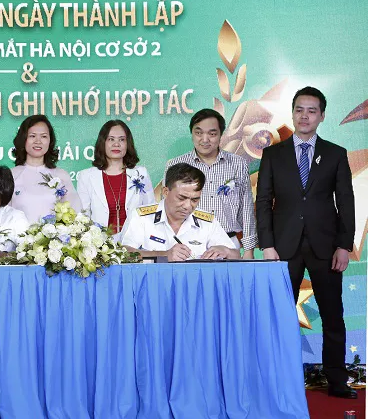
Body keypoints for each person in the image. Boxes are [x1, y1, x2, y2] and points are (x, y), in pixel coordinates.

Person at [256, 86, 356, 399]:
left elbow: (346, 203)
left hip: (326, 248)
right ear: (292, 112)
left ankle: (337, 380)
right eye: (299, 109)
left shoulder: (336, 154)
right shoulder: (273, 154)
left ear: (322, 116)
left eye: (312, 111)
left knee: (333, 316)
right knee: (279, 316)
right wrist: (267, 245)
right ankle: (278, 380)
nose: (304, 116)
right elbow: (263, 201)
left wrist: (344, 245)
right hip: (282, 248)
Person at [163, 109, 257, 258]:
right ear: (192, 133)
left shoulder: (238, 164)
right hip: (187, 244)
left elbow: (246, 208)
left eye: (212, 134)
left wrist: (249, 250)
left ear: (221, 135)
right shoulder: (175, 165)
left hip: (228, 244)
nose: (204, 139)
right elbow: (166, 208)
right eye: (198, 133)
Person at [122, 163, 239, 261]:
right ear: (165, 192)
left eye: (195, 200)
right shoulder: (141, 216)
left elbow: (236, 256)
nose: (188, 206)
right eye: (182, 198)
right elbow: (124, 253)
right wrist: (164, 255)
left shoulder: (207, 221)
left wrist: (226, 251)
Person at [77, 119, 155, 236]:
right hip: (101, 242)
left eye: (122, 139)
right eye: (111, 139)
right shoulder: (86, 176)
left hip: (135, 240)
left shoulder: (140, 173)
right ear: (103, 143)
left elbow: (150, 210)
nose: (116, 144)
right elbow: (83, 216)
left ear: (128, 144)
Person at [9, 115, 81, 222]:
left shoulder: (61, 175)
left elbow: (75, 214)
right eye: (32, 136)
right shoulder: (11, 175)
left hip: (53, 233)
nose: (38, 141)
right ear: (23, 139)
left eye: (43, 136)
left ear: (50, 141)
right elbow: (2, 215)